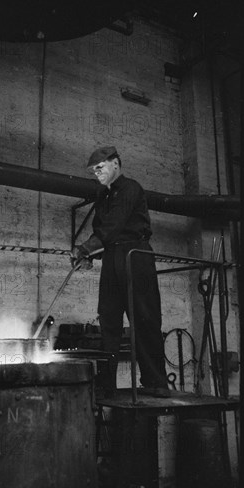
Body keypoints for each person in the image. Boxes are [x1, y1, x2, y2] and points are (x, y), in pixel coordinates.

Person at [71, 146, 169, 398]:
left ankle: (156, 383)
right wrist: (92, 255)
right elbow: (102, 228)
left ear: (115, 163)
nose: (96, 173)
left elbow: (113, 226)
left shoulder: (130, 188)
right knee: (109, 319)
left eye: (100, 168)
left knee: (144, 319)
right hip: (112, 256)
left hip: (135, 255)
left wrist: (85, 248)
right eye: (93, 171)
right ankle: (107, 384)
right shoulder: (103, 196)